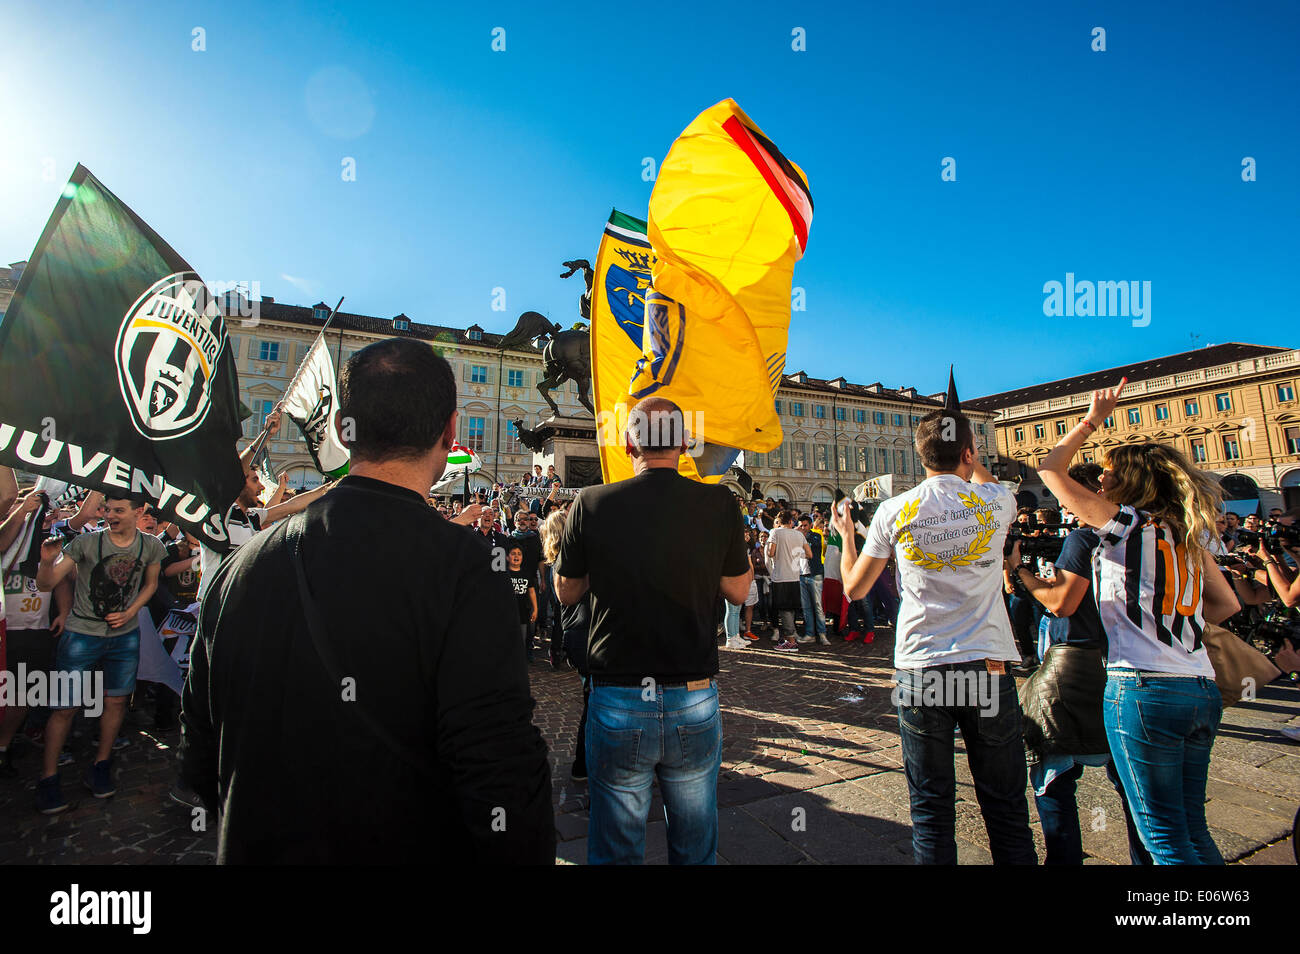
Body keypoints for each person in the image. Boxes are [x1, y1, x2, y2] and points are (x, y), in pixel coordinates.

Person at [179, 338, 554, 863]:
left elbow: (198, 755)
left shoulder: (237, 569)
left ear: (340, 429)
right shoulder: (466, 569)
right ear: (451, 429)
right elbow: (499, 767)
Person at [1037, 378, 1240, 865]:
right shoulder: (1185, 534)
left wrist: (1090, 421)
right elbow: (1226, 606)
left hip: (1144, 686)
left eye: (1106, 475)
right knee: (1192, 830)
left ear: (1128, 483)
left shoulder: (1126, 525)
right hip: (1199, 686)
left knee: (1165, 840)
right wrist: (1167, 614)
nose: (1099, 482)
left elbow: (1049, 468)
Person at [834, 406, 1037, 865]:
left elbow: (855, 588)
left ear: (918, 454)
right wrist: (971, 457)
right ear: (969, 452)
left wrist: (847, 535)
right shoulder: (997, 500)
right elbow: (983, 478)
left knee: (931, 807)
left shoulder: (894, 509)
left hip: (922, 667)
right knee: (1006, 806)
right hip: (986, 665)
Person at [555, 396, 751, 865]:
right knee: (695, 839)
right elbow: (740, 592)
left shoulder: (591, 501)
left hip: (618, 693)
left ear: (627, 444)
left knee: (617, 843)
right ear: (685, 443)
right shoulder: (718, 501)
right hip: (692, 691)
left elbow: (566, 592)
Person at [1011, 462, 1150, 866]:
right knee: (1134, 788)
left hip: (1075, 665)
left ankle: (1064, 859)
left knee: (1054, 776)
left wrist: (1020, 568)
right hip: (1130, 663)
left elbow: (1060, 603)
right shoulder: (1152, 537)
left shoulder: (1083, 539)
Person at [34, 491, 167, 813]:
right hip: (82, 634)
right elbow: (46, 584)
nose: (111, 515)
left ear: (140, 511)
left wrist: (130, 611)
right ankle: (49, 779)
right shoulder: (85, 543)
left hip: (125, 636)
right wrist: (46, 560)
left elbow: (150, 584)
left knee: (117, 701)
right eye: (107, 509)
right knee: (64, 707)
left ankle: (101, 766)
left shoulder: (151, 546)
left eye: (119, 510)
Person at [766, 511, 810, 652]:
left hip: (781, 576)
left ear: (779, 520)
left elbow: (770, 553)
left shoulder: (775, 532)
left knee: (784, 610)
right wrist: (795, 553)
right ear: (791, 521)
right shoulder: (799, 534)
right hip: (794, 576)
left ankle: (790, 641)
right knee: (790, 609)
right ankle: (790, 637)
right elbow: (809, 554)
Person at [797, 513, 829, 646]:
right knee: (806, 607)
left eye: (805, 525)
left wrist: (802, 536)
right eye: (801, 525)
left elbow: (812, 548)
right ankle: (810, 633)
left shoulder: (815, 535)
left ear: (810, 525)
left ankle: (822, 634)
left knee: (818, 606)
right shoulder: (797, 536)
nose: (803, 528)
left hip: (815, 574)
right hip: (801, 574)